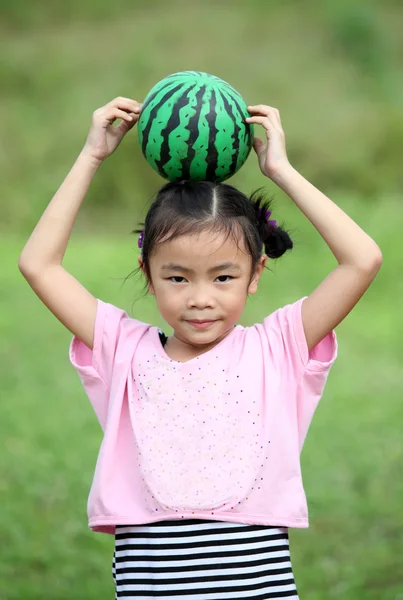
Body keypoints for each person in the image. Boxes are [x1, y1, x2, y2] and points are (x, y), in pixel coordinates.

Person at [19, 96, 382, 599]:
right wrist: (91, 156)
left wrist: (281, 169)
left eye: (224, 276)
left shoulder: (277, 348)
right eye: (177, 276)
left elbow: (362, 260)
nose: (200, 299)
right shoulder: (122, 350)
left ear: (255, 274)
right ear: (148, 273)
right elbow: (40, 265)